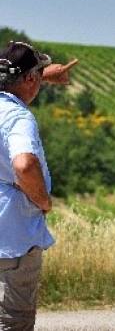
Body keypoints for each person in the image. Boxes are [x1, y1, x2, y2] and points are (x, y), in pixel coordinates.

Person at [0, 41, 77, 330]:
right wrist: (43, 200)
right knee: (11, 323)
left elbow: (14, 79)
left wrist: (44, 74)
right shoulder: (17, 117)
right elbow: (24, 165)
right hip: (11, 241)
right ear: (30, 79)